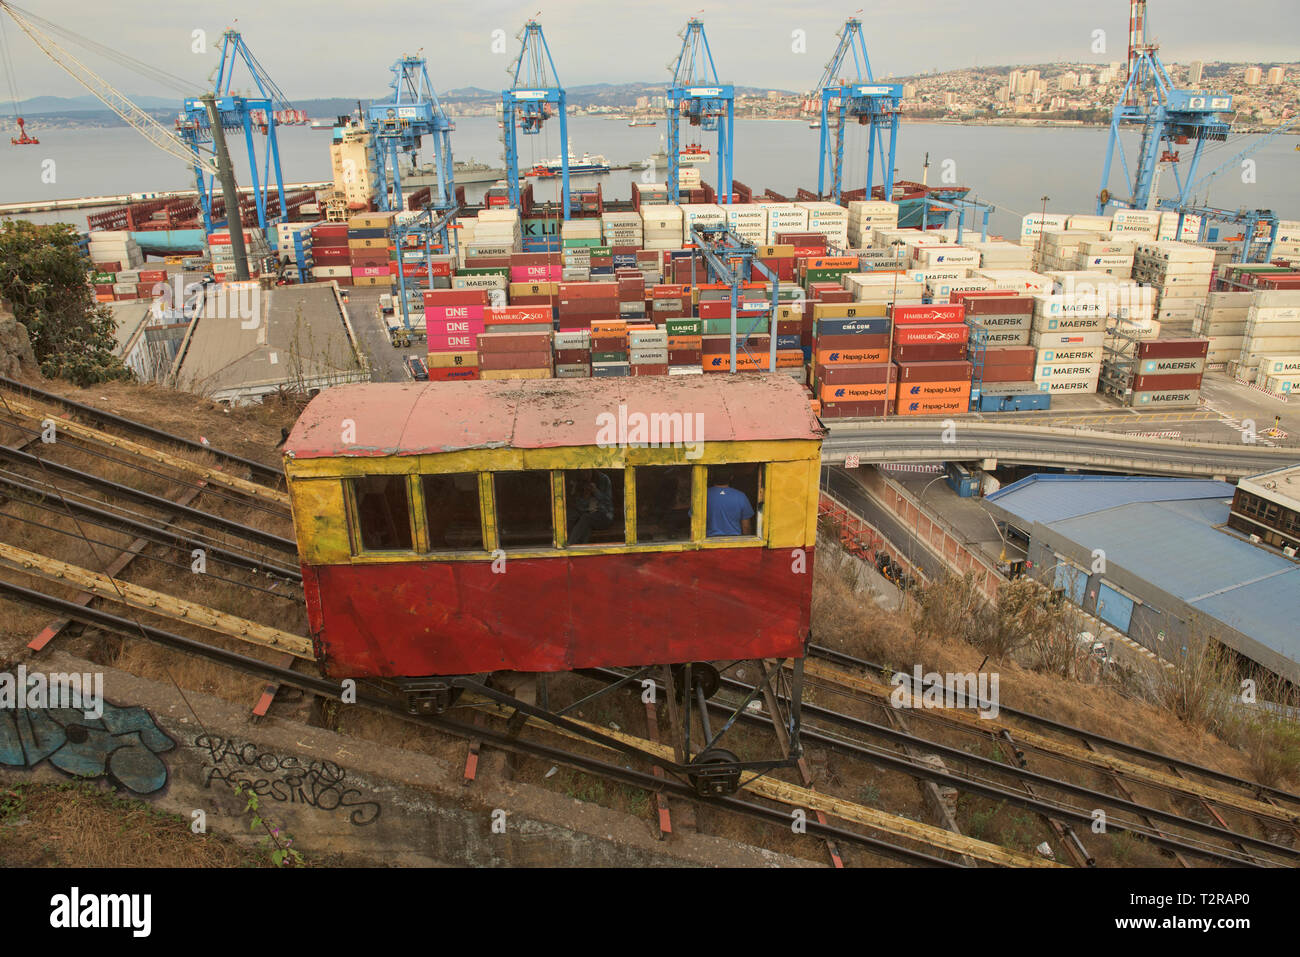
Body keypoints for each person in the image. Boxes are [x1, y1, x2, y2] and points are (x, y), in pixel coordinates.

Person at [569, 469, 614, 544]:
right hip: (586, 516)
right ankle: (577, 547)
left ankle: (571, 545)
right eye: (582, 471)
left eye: (587, 471)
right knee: (573, 518)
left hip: (604, 515)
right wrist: (585, 496)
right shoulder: (580, 481)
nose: (585, 474)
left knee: (586, 519)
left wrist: (596, 491)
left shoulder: (603, 479)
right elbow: (578, 506)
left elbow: (608, 502)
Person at [706, 466, 754, 537]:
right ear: (731, 477)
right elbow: (746, 528)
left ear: (712, 476)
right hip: (734, 543)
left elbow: (695, 523)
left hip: (707, 542)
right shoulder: (741, 496)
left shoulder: (703, 495)